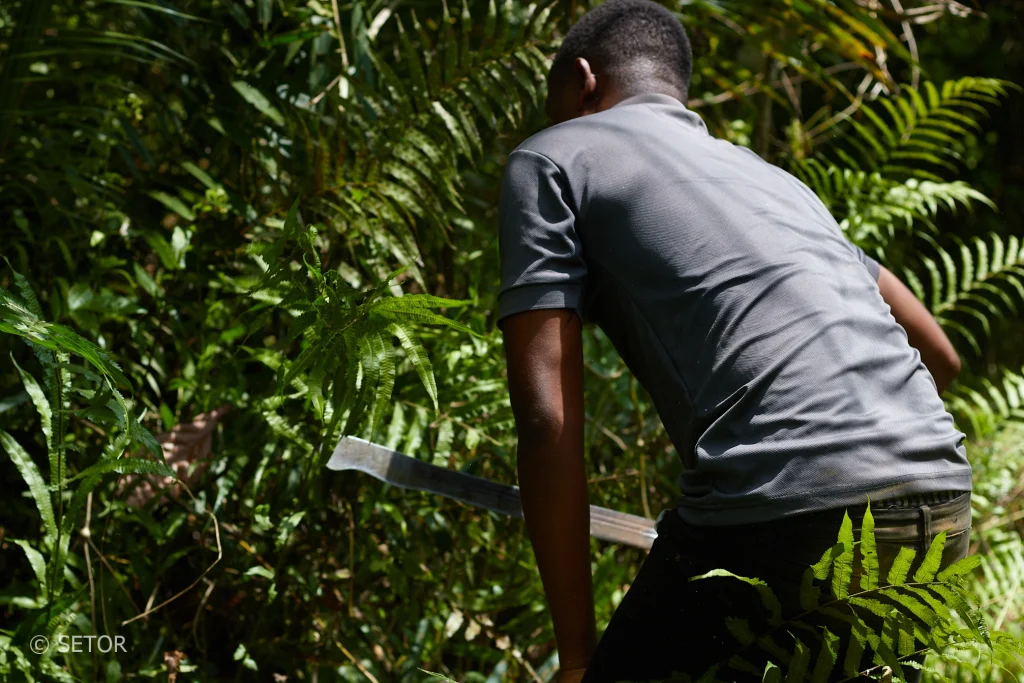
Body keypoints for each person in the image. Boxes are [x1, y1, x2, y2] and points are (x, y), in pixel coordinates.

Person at [496, 1, 973, 681]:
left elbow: (547, 419)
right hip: (941, 500)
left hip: (788, 509)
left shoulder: (552, 157)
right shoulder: (776, 183)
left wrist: (576, 657)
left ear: (583, 80)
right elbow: (941, 355)